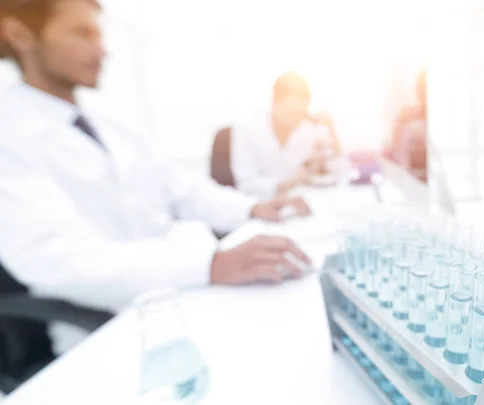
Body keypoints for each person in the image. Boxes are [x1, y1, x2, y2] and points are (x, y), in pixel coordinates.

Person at [0, 0, 313, 354]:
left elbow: (183, 190)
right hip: (104, 328)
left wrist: (254, 209)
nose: (102, 50)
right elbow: (61, 261)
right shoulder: (8, 138)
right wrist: (209, 264)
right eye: (82, 33)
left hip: (179, 293)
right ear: (19, 34)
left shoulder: (111, 126)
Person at [231, 71, 342, 200]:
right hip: (259, 203)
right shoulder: (245, 129)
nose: (296, 120)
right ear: (274, 103)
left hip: (300, 200)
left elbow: (337, 166)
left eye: (301, 113)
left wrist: (331, 130)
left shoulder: (308, 128)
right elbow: (246, 184)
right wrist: (291, 182)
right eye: (290, 113)